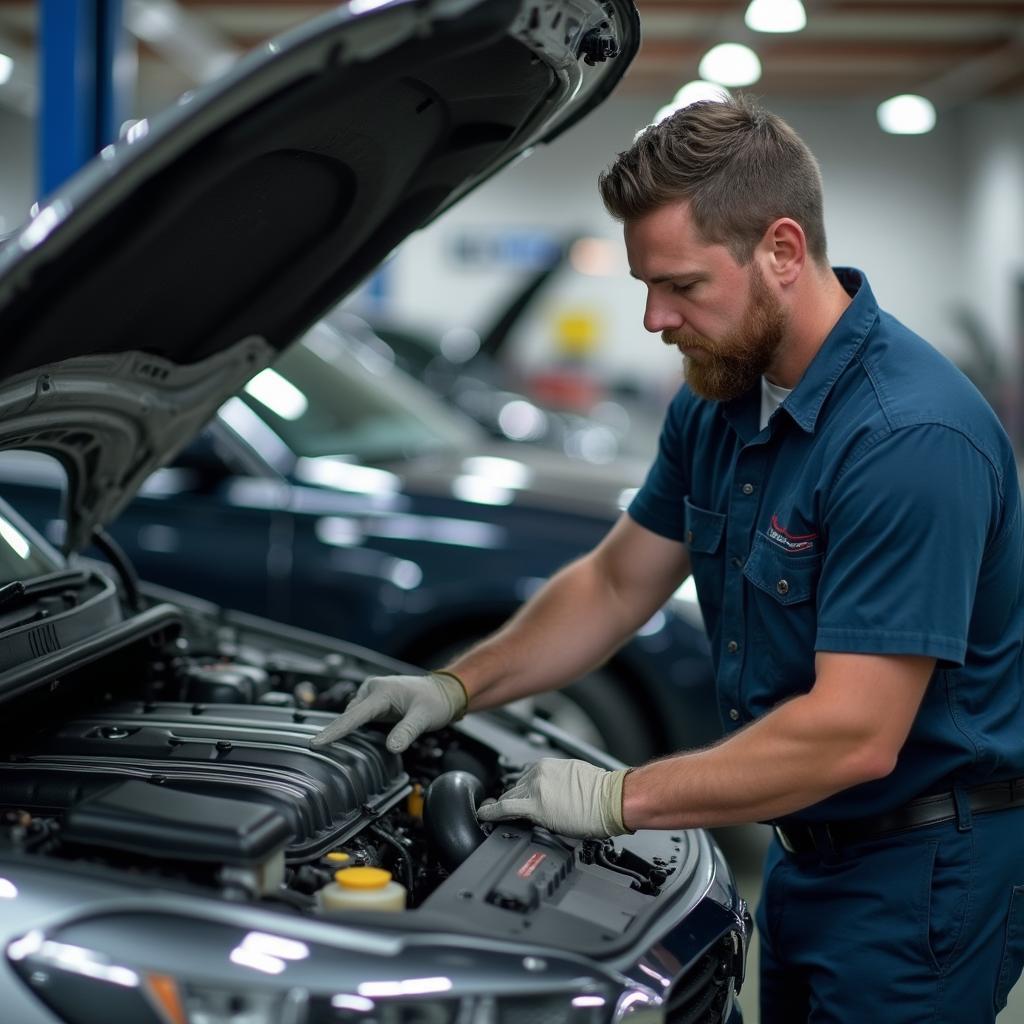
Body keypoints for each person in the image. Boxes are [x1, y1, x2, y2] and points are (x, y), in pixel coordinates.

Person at [311, 96, 1024, 1022]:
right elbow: (614, 583)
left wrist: (617, 797)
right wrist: (452, 687)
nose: (655, 318)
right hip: (809, 854)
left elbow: (855, 732)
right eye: (648, 285)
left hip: (927, 872)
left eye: (682, 285)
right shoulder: (721, 398)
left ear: (780, 250)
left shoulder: (907, 439)